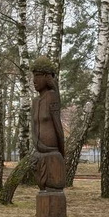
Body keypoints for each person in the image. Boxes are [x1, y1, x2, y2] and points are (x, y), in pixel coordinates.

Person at [31, 56, 66, 191]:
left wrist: (62, 153)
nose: (34, 80)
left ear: (47, 77)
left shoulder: (52, 97)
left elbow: (58, 126)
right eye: (33, 76)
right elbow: (33, 126)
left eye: (38, 76)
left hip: (53, 154)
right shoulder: (35, 102)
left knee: (54, 187)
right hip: (39, 153)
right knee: (42, 189)